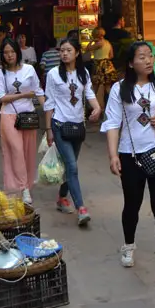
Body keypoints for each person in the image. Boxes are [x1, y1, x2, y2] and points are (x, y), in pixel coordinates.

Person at [100, 41, 155, 287]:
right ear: (131, 62)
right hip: (130, 155)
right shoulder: (119, 89)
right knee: (132, 205)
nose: (148, 60)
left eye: (150, 56)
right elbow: (112, 123)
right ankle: (129, 244)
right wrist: (113, 155)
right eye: (141, 57)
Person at [43, 37, 102, 226]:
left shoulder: (83, 72)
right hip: (59, 125)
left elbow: (89, 93)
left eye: (68, 50)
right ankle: (81, 208)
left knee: (71, 166)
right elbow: (49, 102)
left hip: (78, 126)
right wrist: (48, 129)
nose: (64, 53)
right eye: (62, 50)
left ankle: (61, 198)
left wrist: (97, 108)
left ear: (77, 52)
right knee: (72, 166)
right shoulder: (53, 74)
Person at [0, 37, 44, 205]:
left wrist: (49, 113)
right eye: (5, 52)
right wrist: (23, 95)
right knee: (15, 151)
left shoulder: (29, 69)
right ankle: (23, 189)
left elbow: (38, 91)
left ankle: (27, 184)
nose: (9, 55)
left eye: (12, 52)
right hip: (8, 115)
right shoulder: (0, 73)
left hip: (28, 116)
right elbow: (1, 98)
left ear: (18, 52)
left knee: (28, 152)